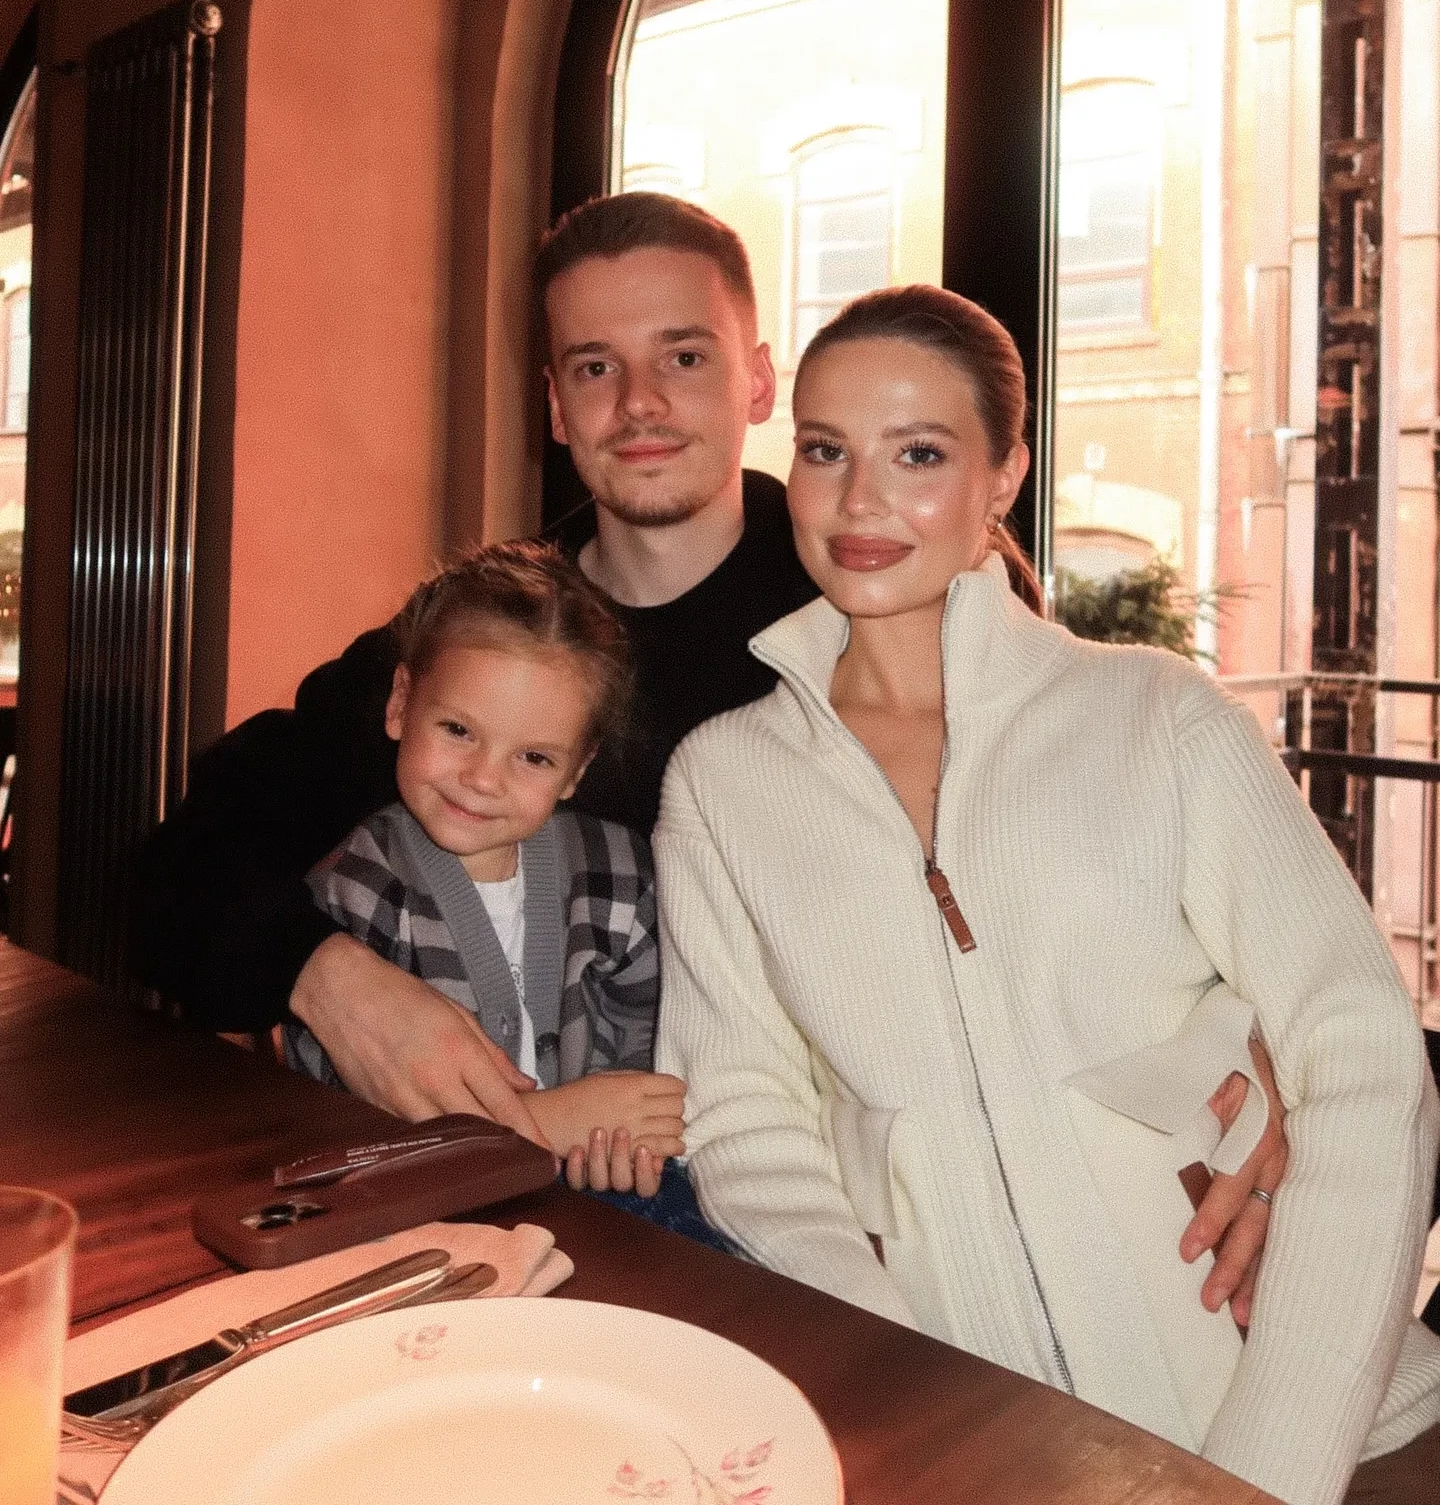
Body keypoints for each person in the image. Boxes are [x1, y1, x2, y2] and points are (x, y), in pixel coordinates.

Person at [132, 196, 1284, 1285]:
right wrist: (331, 983)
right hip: (555, 1222)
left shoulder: (890, 586)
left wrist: (1248, 1050)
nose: (639, 403)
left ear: (758, 381)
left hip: (903, 1215)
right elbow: (180, 867)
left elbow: (1118, 847)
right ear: (555, 405)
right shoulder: (500, 642)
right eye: (596, 367)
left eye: (683, 356)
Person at [654, 285, 1440, 1504]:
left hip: (1337, 1442)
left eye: (919, 454)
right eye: (824, 450)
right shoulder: (723, 784)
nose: (860, 501)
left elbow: (1364, 1062)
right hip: (999, 1453)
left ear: (1003, 476)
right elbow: (744, 1119)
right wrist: (922, 1397)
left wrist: (1269, 1474)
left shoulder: (1158, 719)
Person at [283, 541, 685, 1193]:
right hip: (421, 1210)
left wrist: (620, 1139)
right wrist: (547, 1125)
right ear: (401, 702)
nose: (482, 779)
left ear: (577, 769)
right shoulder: (355, 890)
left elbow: (658, 1036)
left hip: (590, 1204)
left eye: (533, 758)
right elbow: (337, 1127)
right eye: (458, 731)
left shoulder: (620, 874)